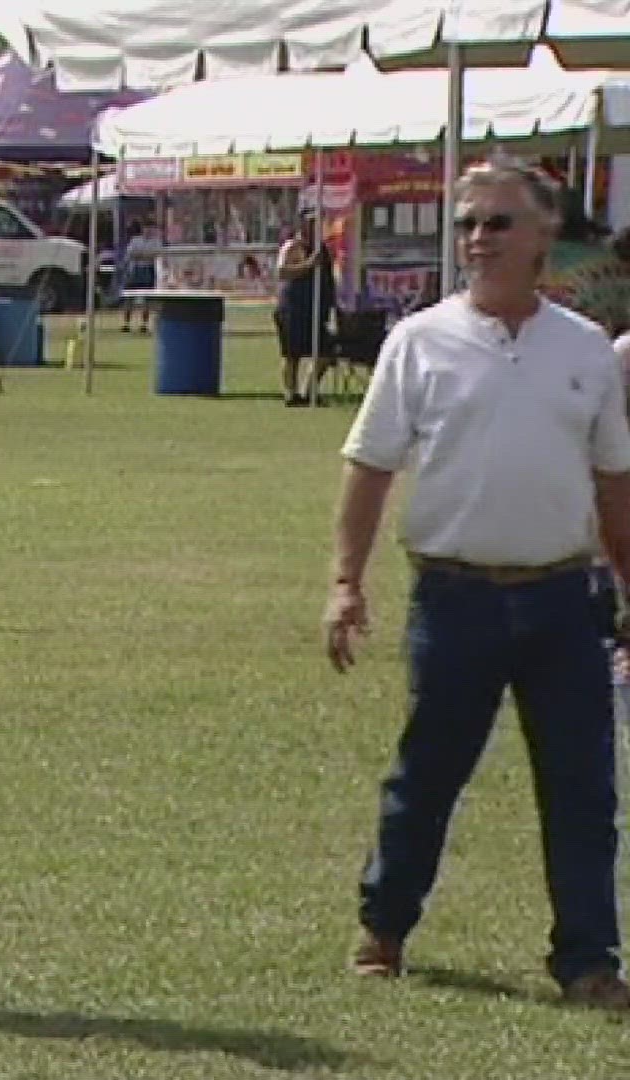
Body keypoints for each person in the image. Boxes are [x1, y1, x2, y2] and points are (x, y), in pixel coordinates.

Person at [326, 163, 630, 1010]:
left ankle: (589, 963)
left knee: (581, 787)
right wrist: (345, 583)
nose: (477, 240)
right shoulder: (418, 342)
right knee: (427, 774)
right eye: (467, 224)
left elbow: (613, 483)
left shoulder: (586, 351)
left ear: (544, 236)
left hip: (566, 602)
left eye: (498, 223)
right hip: (455, 599)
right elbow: (369, 468)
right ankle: (384, 930)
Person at [275, 210, 338, 406]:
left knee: (325, 352)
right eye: (310, 223)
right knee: (292, 355)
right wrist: (309, 264)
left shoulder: (322, 248)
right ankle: (291, 395)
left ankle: (309, 390)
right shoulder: (293, 246)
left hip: (315, 309)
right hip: (293, 307)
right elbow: (282, 272)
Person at [117, 223, 156, 333]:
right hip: (135, 270)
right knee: (129, 297)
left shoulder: (156, 242)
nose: (148, 231)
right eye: (146, 228)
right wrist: (144, 255)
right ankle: (126, 324)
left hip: (148, 270)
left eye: (150, 229)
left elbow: (155, 255)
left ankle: (144, 324)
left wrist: (141, 255)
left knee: (147, 299)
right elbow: (130, 254)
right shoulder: (135, 240)